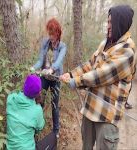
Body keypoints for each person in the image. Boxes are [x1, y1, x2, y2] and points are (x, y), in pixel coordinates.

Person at [60, 5, 136, 150]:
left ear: (120, 23)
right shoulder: (106, 42)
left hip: (107, 116)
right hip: (90, 110)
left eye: (111, 23)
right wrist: (71, 74)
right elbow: (90, 64)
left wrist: (76, 81)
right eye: (107, 22)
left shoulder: (127, 51)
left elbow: (101, 75)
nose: (108, 26)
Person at [30, 18, 67, 137]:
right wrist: (33, 68)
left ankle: (56, 131)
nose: (51, 36)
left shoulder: (62, 46)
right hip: (44, 78)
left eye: (53, 33)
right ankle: (37, 126)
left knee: (54, 106)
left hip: (55, 78)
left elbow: (59, 61)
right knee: (39, 101)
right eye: (49, 33)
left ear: (58, 32)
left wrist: (51, 69)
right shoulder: (45, 43)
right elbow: (41, 60)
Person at [6, 74, 45, 150]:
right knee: (52, 139)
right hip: (28, 148)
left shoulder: (11, 98)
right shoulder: (37, 109)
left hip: (10, 148)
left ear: (24, 85)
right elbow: (40, 127)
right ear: (38, 93)